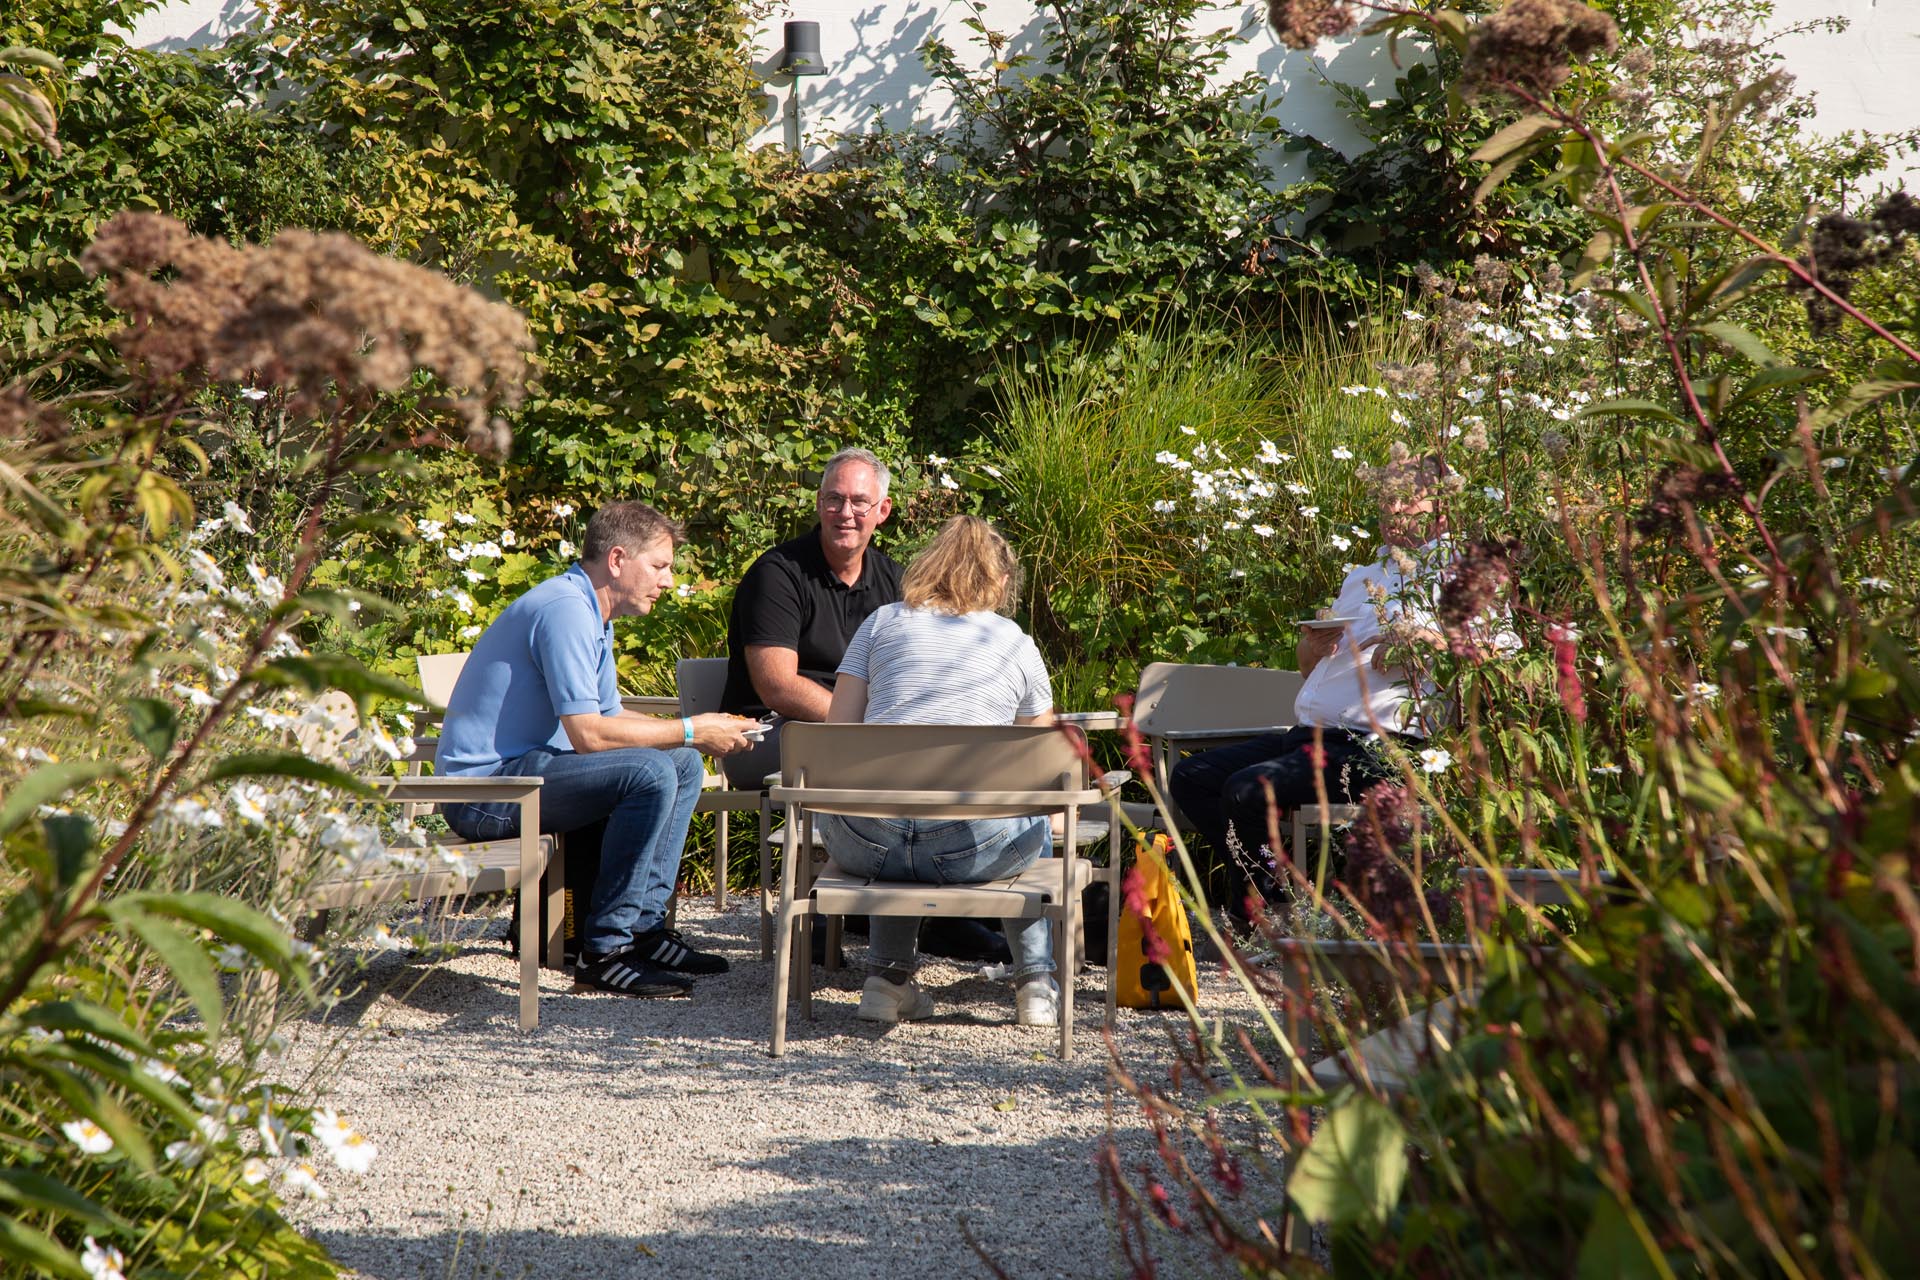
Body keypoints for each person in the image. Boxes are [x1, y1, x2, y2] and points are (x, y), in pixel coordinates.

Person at [436, 501, 758, 998]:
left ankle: (645, 932)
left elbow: (609, 716)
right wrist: (692, 728)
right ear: (617, 559)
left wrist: (700, 731)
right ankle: (605, 951)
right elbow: (589, 735)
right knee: (652, 771)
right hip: (483, 791)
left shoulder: (591, 612)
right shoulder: (564, 610)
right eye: (659, 566)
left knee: (684, 764)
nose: (667, 581)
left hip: (524, 771)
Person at [1168, 454, 1458, 922]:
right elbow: (1309, 671)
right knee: (1191, 777)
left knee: (1245, 791)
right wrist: (1313, 645)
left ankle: (1268, 914)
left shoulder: (1454, 575)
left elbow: (1491, 658)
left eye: (1404, 500)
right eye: (1385, 499)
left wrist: (1422, 638)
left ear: (1441, 510)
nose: (1390, 510)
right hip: (1310, 736)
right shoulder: (1363, 577)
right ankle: (1274, 894)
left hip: (1377, 747)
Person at [813, 515, 1063, 1028]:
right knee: (1038, 818)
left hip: (864, 840)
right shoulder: (1016, 642)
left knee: (896, 805)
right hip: (971, 848)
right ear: (998, 580)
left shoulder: (881, 623)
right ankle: (1035, 983)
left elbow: (836, 734)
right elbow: (1042, 767)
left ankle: (885, 983)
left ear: (928, 566)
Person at [719, 447, 905, 788]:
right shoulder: (777, 574)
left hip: (856, 736)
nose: (845, 513)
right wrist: (862, 726)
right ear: (819, 503)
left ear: (883, 510)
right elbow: (778, 686)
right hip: (763, 735)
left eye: (860, 501)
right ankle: (831, 844)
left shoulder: (896, 581)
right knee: (866, 755)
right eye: (834, 499)